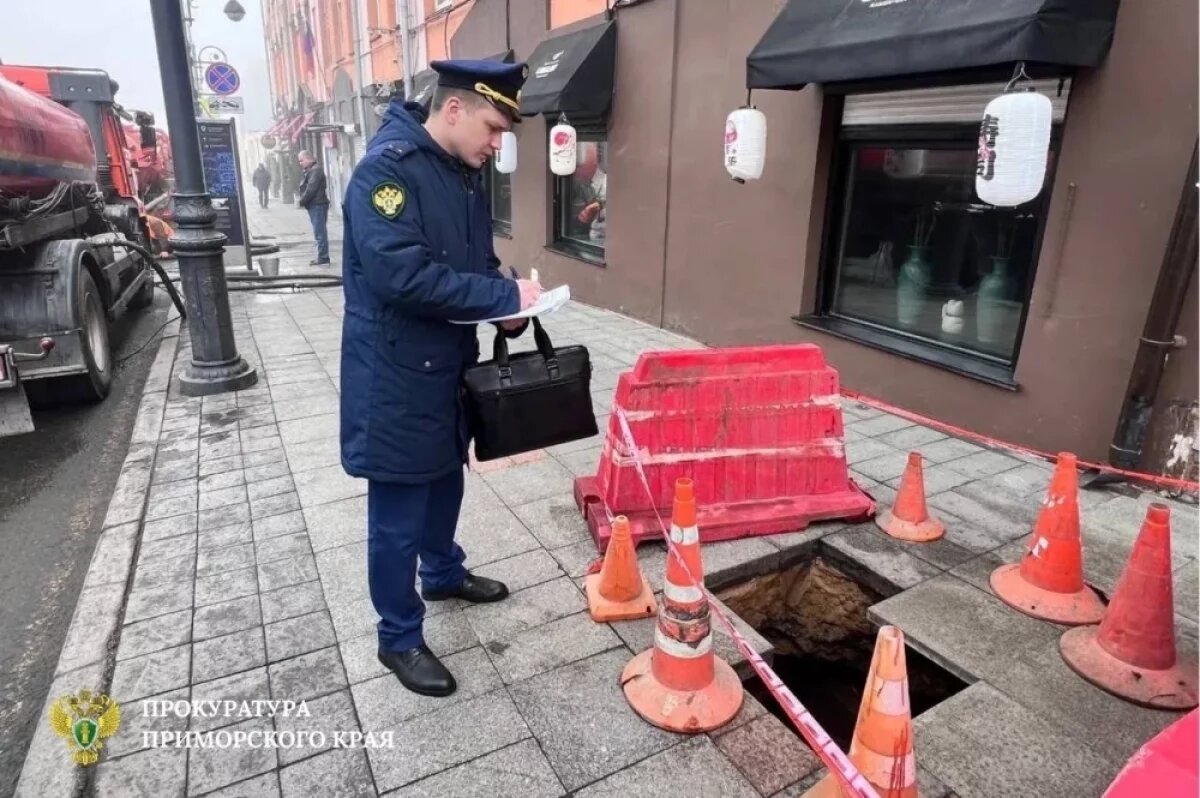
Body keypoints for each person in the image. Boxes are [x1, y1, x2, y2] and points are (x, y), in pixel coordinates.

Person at [339, 59, 543, 697]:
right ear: (453, 109)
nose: (497, 143)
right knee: (399, 511)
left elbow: (476, 262)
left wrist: (509, 302)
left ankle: (443, 573)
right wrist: (495, 298)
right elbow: (401, 276)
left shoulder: (460, 174)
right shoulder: (387, 172)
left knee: (446, 479)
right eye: (492, 127)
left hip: (445, 367)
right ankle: (398, 637)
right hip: (394, 377)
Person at [297, 150, 330, 265]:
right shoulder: (311, 170)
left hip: (317, 204)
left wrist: (301, 201)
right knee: (318, 232)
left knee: (319, 232)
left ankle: (323, 257)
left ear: (308, 159)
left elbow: (311, 189)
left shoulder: (316, 170)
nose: (300, 163)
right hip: (315, 204)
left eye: (301, 160)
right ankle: (321, 255)